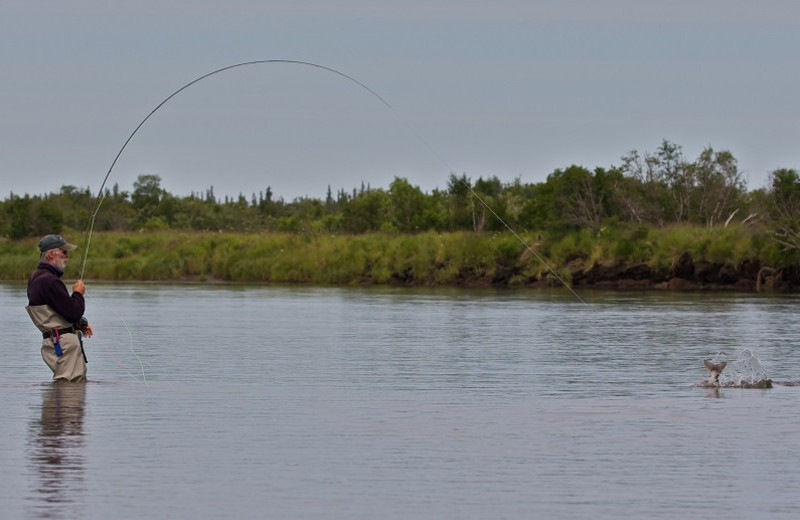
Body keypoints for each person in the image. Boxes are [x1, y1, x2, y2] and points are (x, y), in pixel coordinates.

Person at [26, 234, 93, 382]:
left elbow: (52, 311)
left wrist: (78, 323)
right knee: (70, 387)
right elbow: (73, 312)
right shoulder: (49, 281)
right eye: (64, 252)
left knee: (66, 390)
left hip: (53, 342)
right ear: (51, 254)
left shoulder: (36, 278)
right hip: (63, 344)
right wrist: (78, 293)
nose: (67, 256)